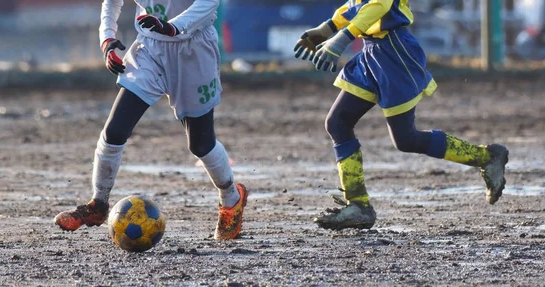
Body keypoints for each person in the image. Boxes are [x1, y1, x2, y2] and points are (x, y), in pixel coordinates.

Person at [293, 0, 509, 230]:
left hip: (395, 53)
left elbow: (378, 6)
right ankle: (358, 205)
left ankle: (487, 158)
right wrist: (326, 28)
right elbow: (356, 5)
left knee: (405, 139)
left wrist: (341, 38)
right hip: (372, 52)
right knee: (338, 123)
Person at [54, 0, 248, 240]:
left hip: (193, 49)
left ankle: (231, 199)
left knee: (200, 144)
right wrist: (107, 39)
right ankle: (99, 204)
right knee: (115, 131)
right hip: (150, 49)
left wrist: (174, 27)